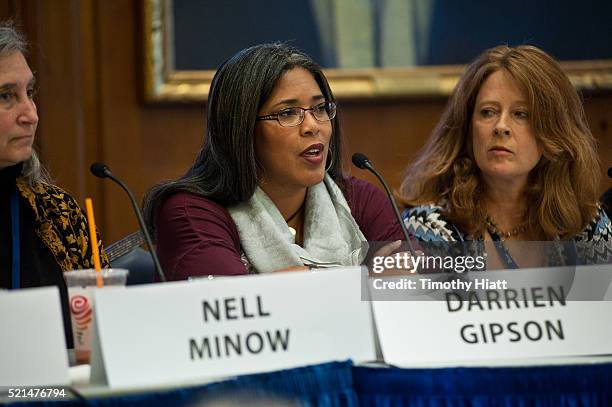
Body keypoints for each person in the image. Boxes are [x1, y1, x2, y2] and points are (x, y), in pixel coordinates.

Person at [144, 43, 403, 279]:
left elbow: (414, 286)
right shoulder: (191, 212)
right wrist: (364, 279)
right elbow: (237, 306)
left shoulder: (357, 199)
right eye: (288, 113)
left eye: (320, 108)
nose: (313, 126)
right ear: (242, 129)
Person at [400, 45, 611, 268]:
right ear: (468, 129)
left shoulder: (587, 223)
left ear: (552, 132)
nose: (501, 127)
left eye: (521, 114)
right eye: (488, 112)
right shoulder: (428, 230)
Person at [0, 21, 109, 345]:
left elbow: (105, 333)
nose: (30, 113)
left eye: (29, 92)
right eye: (6, 96)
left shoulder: (58, 213)